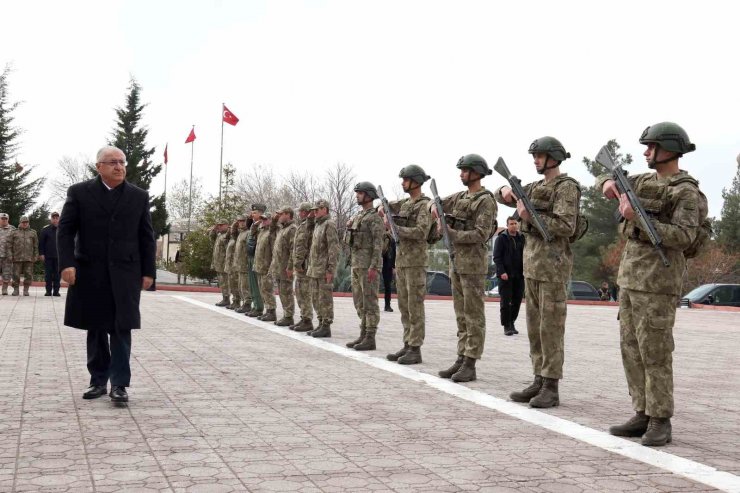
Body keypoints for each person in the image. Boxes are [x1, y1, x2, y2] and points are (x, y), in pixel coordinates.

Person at [598, 122, 705, 446]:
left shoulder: (686, 192)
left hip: (658, 283)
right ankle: (642, 411)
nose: (645, 152)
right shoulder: (643, 180)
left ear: (669, 149)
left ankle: (661, 419)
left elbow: (684, 236)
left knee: (655, 352)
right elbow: (607, 180)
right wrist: (607, 183)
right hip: (630, 279)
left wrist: (638, 219)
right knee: (630, 349)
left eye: (651, 147)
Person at [57, 146, 156, 403]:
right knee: (97, 326)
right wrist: (67, 264)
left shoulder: (138, 196)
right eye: (112, 162)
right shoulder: (79, 193)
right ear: (99, 166)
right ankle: (98, 381)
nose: (119, 166)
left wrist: (148, 271)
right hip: (91, 271)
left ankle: (120, 384)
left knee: (122, 327)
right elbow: (66, 231)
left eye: (122, 162)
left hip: (126, 272)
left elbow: (146, 236)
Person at [495, 136, 581, 408]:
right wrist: (505, 192)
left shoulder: (566, 187)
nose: (535, 160)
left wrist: (530, 217)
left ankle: (551, 385)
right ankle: (538, 378)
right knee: (534, 327)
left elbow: (566, 226)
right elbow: (499, 194)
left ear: (553, 157)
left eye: (540, 155)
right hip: (531, 267)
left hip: (553, 268)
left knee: (550, 328)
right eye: (535, 156)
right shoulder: (533, 187)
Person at [433, 154, 497, 382]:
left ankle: (471, 362)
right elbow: (438, 202)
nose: (461, 174)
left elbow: (481, 234)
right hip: (457, 263)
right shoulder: (460, 197)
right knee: (461, 315)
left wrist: (451, 233)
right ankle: (461, 356)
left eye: (465, 170)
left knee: (474, 315)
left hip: (472, 266)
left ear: (477, 172)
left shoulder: (485, 201)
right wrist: (434, 208)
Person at [380, 165, 432, 365]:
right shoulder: (407, 203)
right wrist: (381, 208)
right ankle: (408, 342)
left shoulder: (424, 205)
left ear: (416, 181)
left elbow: (421, 232)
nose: (402, 183)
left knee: (414, 306)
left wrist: (394, 228)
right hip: (402, 261)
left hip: (416, 262)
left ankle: (415, 348)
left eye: (406, 180)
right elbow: (392, 205)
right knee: (404, 305)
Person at [345, 182, 384, 351]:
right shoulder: (359, 216)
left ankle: (370, 337)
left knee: (370, 302)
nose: (357, 196)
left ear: (368, 195)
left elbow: (378, 244)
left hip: (368, 265)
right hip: (356, 264)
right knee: (359, 301)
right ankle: (363, 333)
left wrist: (374, 266)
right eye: (357, 193)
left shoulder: (374, 218)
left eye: (360, 193)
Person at [306, 199, 339, 338]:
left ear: (325, 209)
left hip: (324, 269)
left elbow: (333, 248)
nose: (314, 212)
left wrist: (331, 269)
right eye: (313, 210)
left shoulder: (329, 224)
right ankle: (320, 322)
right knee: (316, 298)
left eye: (317, 210)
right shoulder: (318, 225)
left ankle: (326, 325)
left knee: (325, 298)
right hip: (314, 269)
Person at [493, 216, 525, 336]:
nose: (514, 226)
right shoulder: (501, 239)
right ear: (507, 225)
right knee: (506, 302)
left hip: (520, 275)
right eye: (511, 224)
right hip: (505, 276)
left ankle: (512, 322)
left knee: (517, 301)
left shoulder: (522, 238)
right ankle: (506, 326)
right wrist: (502, 272)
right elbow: (497, 257)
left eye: (515, 223)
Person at [289, 202, 315, 332]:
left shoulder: (309, 225)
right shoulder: (302, 225)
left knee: (304, 293)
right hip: (299, 264)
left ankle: (308, 320)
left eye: (301, 211)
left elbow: (303, 246)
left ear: (305, 212)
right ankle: (304, 317)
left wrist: (299, 263)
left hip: (304, 265)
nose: (299, 213)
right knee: (299, 292)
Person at [270, 206, 298, 326]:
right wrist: (274, 220)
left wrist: (290, 267)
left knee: (286, 292)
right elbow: (271, 229)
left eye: (281, 214)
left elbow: (293, 250)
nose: (279, 216)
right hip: (279, 266)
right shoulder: (282, 229)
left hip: (286, 267)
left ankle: (289, 316)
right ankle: (286, 314)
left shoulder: (292, 229)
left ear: (288, 214)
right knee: (281, 292)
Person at [254, 209, 278, 322]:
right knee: (262, 289)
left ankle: (271, 311)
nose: (262, 221)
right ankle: (267, 311)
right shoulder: (261, 232)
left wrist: (272, 267)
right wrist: (255, 225)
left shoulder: (271, 233)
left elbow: (274, 251)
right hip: (259, 266)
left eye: (265, 219)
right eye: (262, 219)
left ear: (270, 220)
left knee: (268, 289)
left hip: (267, 266)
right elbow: (252, 234)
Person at [9, 216, 39, 296]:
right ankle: (16, 290)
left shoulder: (33, 232)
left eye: (26, 222)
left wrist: (36, 256)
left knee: (28, 274)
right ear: (20, 222)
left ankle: (26, 290)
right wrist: (10, 255)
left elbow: (36, 245)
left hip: (29, 258)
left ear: (28, 222)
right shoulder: (14, 232)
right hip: (16, 257)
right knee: (15, 275)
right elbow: (9, 245)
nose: (25, 224)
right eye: (23, 222)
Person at [245, 204, 266, 317]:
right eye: (252, 213)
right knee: (252, 284)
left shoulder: (262, 225)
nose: (252, 215)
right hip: (250, 256)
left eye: (255, 213)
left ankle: (259, 307)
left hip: (257, 257)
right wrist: (250, 219)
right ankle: (255, 305)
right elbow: (247, 227)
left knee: (257, 284)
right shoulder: (253, 224)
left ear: (261, 213)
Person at [233, 215, 253, 314]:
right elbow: (233, 232)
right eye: (239, 221)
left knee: (245, 286)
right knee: (241, 285)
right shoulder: (241, 233)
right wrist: (234, 224)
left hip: (245, 264)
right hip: (239, 264)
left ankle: (247, 304)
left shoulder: (248, 233)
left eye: (243, 221)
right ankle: (244, 303)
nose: (240, 223)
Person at [39, 211, 61, 296]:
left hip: (59, 256)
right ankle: (48, 291)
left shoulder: (62, 228)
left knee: (57, 275)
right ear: (51, 219)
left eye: (57, 218)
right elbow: (41, 243)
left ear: (59, 219)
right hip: (48, 257)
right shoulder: (45, 229)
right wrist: (41, 254)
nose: (55, 220)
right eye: (53, 218)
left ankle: (56, 291)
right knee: (48, 275)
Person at [210, 219, 230, 307]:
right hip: (218, 263)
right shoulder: (219, 235)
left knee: (226, 282)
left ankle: (227, 299)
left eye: (221, 225)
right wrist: (213, 230)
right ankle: (225, 298)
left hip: (224, 263)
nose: (220, 227)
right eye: (219, 225)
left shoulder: (227, 235)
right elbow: (211, 238)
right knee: (222, 282)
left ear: (226, 225)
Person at [224, 222, 240, 309]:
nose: (230, 230)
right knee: (232, 285)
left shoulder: (236, 238)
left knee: (236, 284)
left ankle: (237, 301)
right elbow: (225, 238)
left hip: (235, 266)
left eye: (232, 229)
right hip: (230, 266)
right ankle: (234, 301)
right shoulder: (230, 240)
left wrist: (234, 226)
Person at [0, 212, 17, 295]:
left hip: (7, 255)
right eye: (2, 219)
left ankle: (4, 289)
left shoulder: (13, 229)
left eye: (5, 219)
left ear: (8, 220)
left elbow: (16, 242)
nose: (4, 220)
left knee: (7, 273)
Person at [381, 232, 396, 312]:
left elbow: (394, 253)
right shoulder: (378, 234)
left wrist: (393, 266)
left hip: (387, 264)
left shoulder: (391, 239)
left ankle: (387, 305)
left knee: (388, 286)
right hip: (376, 263)